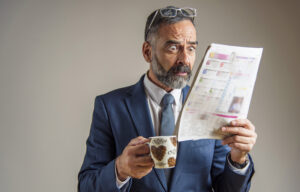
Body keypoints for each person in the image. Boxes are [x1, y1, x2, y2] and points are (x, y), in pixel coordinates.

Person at [78, 6, 257, 192]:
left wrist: (238, 159)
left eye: (191, 48)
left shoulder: (211, 106)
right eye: (173, 47)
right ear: (147, 52)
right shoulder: (110, 107)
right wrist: (119, 170)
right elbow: (86, 186)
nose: (185, 59)